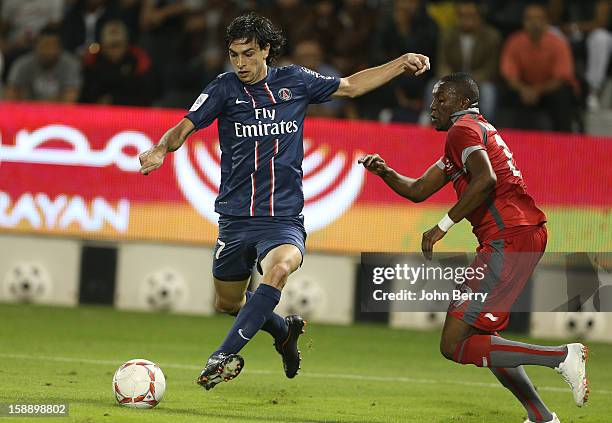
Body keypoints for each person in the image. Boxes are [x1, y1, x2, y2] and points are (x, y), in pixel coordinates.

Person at [138, 12, 430, 390]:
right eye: (233, 55)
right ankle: (284, 331)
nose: (240, 63)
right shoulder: (223, 89)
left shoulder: (296, 81)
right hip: (235, 218)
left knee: (277, 271)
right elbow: (184, 126)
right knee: (228, 304)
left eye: (247, 54)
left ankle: (222, 355)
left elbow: (352, 87)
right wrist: (161, 149)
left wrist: (400, 62)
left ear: (266, 50)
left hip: (283, 220)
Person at [359, 73, 588, 423]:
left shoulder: (461, 130)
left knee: (453, 344)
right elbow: (419, 189)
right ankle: (541, 416)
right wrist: (386, 172)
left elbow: (486, 180)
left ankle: (560, 356)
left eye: (441, 101)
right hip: (520, 234)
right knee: (482, 337)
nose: (432, 107)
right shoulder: (470, 133)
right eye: (433, 100)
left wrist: (442, 227)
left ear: (463, 104)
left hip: (508, 237)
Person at [500, 4, 577, 132]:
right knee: (507, 94)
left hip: (550, 89)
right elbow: (509, 75)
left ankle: (565, 141)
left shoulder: (558, 43)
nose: (534, 23)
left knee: (562, 95)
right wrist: (524, 90)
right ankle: (509, 141)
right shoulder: (514, 42)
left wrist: (536, 91)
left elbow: (561, 78)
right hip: (524, 88)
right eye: (529, 19)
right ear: (523, 22)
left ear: (547, 22)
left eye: (539, 18)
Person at [5, 24, 81, 103]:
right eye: (45, 46)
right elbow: (10, 94)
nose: (50, 51)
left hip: (58, 112)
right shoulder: (22, 64)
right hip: (27, 111)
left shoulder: (70, 64)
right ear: (36, 46)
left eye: (54, 46)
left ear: (60, 47)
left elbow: (70, 97)